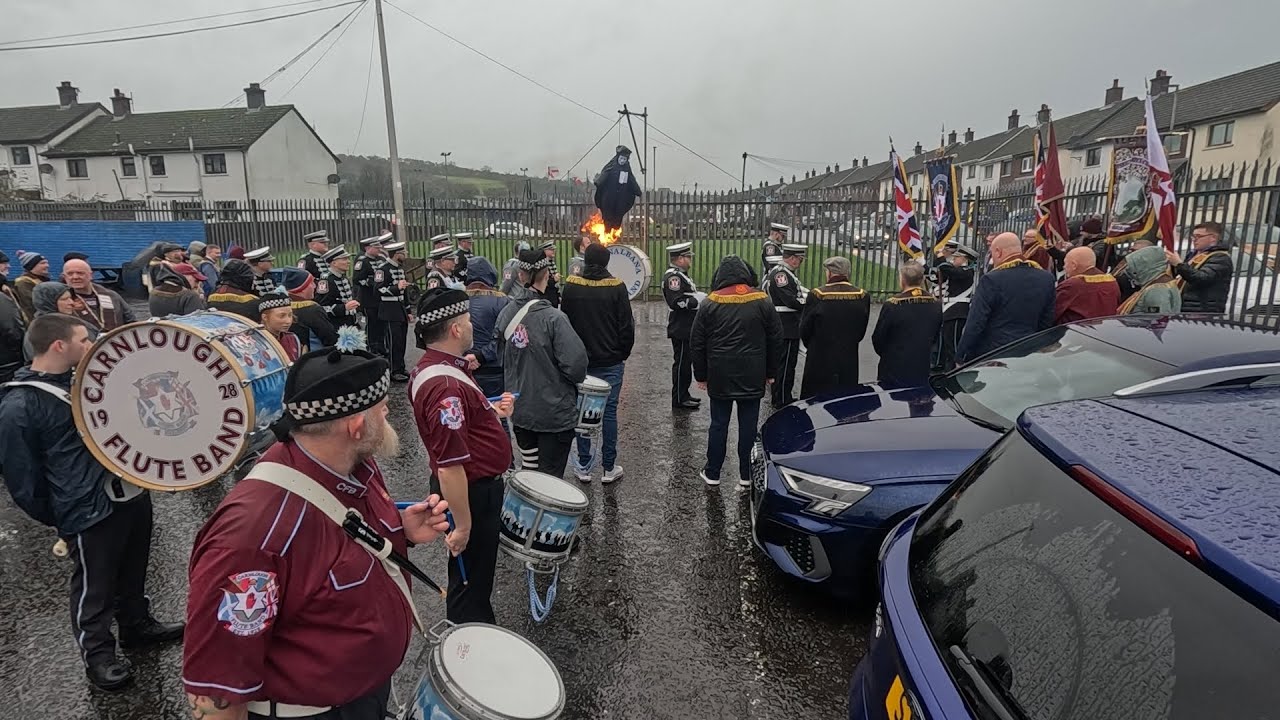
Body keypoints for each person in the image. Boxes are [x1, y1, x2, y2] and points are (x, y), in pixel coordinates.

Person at [182, 344, 453, 720]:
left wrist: (399, 533)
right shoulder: (253, 533)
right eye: (381, 406)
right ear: (355, 426)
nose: (389, 411)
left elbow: (334, 550)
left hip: (365, 694)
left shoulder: (354, 464)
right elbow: (217, 688)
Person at [1, 314, 184, 692]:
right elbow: (23, 480)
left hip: (130, 493)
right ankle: (98, 656)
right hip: (87, 508)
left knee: (133, 571)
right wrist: (64, 516)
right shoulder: (19, 405)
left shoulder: (85, 381)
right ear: (59, 345)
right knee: (94, 586)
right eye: (84, 339)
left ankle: (136, 625)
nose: (92, 345)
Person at [410, 288, 515, 624]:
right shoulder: (446, 388)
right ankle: (466, 642)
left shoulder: (442, 367)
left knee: (476, 577)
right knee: (469, 581)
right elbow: (450, 466)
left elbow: (462, 425)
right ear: (455, 329)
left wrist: (492, 411)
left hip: (471, 488)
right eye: (468, 320)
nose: (472, 326)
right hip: (470, 492)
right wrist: (464, 525)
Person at [495, 249, 588, 479]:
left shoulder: (505, 314)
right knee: (550, 480)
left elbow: (501, 358)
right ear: (546, 275)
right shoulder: (554, 318)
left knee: (530, 471)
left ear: (520, 276)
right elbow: (576, 366)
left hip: (520, 410)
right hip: (553, 415)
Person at [690, 256, 782, 487]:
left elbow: (697, 342)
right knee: (748, 426)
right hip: (753, 373)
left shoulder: (710, 302)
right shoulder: (762, 300)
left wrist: (701, 375)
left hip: (720, 374)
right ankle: (746, 474)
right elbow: (775, 338)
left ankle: (713, 472)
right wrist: (771, 371)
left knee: (718, 424)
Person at [561, 243, 635, 484]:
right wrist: (622, 353)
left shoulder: (571, 286)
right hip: (610, 360)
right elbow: (626, 325)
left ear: (584, 259)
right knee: (610, 413)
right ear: (606, 262)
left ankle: (583, 465)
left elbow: (565, 325)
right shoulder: (616, 287)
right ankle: (608, 467)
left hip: (580, 361)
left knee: (583, 413)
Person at [955, 232, 1055, 364]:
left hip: (994, 354)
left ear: (998, 252)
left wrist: (961, 355)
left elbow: (976, 322)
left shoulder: (992, 279)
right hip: (1029, 351)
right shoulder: (1046, 278)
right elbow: (1046, 320)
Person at [799, 256, 870, 398]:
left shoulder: (817, 295)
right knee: (844, 398)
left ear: (830, 273)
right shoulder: (862, 296)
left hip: (820, 356)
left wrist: (812, 345)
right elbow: (861, 329)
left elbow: (805, 328)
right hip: (848, 355)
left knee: (816, 398)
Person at [872, 264, 943, 387]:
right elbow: (936, 335)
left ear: (902, 280)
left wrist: (888, 354)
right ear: (921, 281)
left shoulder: (893, 305)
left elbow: (879, 337)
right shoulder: (935, 304)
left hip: (894, 365)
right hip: (922, 362)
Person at [764, 243, 809, 407]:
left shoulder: (782, 272)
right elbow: (789, 300)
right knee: (785, 364)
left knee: (785, 363)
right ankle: (782, 398)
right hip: (786, 325)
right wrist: (807, 302)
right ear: (793, 258)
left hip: (786, 325)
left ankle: (782, 395)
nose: (800, 263)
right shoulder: (781, 274)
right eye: (800, 259)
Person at [460, 257, 510, 398]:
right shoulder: (502, 300)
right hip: (493, 367)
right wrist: (481, 356)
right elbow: (503, 338)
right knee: (497, 411)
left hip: (462, 364)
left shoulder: (457, 300)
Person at [662, 242, 701, 410]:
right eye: (687, 257)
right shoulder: (674, 278)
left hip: (687, 326)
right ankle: (679, 398)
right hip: (681, 326)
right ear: (679, 259)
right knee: (681, 365)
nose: (689, 259)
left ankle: (684, 394)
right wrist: (695, 301)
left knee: (686, 364)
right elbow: (676, 301)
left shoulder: (681, 275)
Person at [1167, 221, 1233, 313]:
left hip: (1203, 311)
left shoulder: (1221, 258)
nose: (1194, 239)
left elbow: (1201, 278)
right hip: (1187, 308)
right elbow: (1182, 276)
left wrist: (1179, 264)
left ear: (1213, 238)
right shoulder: (1193, 254)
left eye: (1199, 236)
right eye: (1193, 236)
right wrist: (1174, 265)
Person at [932, 245, 979, 373]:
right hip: (950, 311)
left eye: (957, 257)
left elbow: (947, 269)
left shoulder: (967, 272)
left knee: (952, 344)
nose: (954, 260)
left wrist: (942, 258)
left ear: (965, 259)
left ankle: (953, 370)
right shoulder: (957, 271)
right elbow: (941, 272)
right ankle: (944, 367)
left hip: (957, 312)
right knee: (947, 343)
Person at [63, 258, 136, 332]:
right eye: (70, 274)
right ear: (65, 277)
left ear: (91, 275)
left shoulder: (112, 296)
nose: (75, 277)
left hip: (116, 341)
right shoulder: (61, 301)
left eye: (80, 273)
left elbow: (132, 322)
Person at [1054, 246, 1120, 325]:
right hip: (1105, 330)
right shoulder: (1112, 282)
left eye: (1065, 264)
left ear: (1074, 265)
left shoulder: (1072, 285)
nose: (1064, 267)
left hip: (1076, 332)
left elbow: (1053, 312)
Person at [375, 241, 412, 381]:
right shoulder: (382, 269)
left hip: (400, 309)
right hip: (390, 310)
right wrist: (396, 288)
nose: (406, 255)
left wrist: (408, 310)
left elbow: (405, 292)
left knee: (401, 340)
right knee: (393, 341)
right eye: (404, 252)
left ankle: (400, 367)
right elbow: (377, 290)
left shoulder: (400, 268)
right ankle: (393, 370)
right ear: (397, 254)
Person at [283, 267, 338, 351]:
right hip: (314, 357)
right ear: (302, 289)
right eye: (311, 283)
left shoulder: (282, 306)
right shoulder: (312, 310)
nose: (315, 286)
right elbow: (330, 339)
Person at [1119, 245, 1182, 315]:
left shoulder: (1156, 290)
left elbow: (1157, 321)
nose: (1129, 270)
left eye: (1136, 265)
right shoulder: (1159, 283)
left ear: (1144, 265)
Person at [594, 145, 642, 231]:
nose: (622, 161)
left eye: (624, 159)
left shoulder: (627, 169)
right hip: (609, 196)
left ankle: (615, 228)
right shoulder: (611, 166)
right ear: (617, 157)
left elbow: (631, 179)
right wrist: (598, 182)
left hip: (621, 197)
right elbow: (605, 174)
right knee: (608, 214)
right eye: (621, 158)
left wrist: (637, 191)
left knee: (618, 213)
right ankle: (607, 230)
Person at [354, 234, 388, 357]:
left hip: (380, 298)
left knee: (381, 324)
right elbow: (357, 280)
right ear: (368, 248)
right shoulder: (362, 262)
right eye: (376, 247)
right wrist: (371, 283)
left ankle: (381, 345)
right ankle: (371, 346)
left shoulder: (381, 260)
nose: (379, 250)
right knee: (372, 323)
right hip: (368, 298)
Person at [316, 246, 361, 329]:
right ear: (334, 263)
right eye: (344, 259)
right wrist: (344, 308)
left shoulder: (343, 277)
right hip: (336, 325)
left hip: (350, 322)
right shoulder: (326, 280)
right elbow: (321, 307)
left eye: (348, 259)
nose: (348, 262)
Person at [0, 251, 24, 383]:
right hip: (7, 365)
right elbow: (13, 330)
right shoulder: (2, 296)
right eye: (3, 263)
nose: (8, 266)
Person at [258, 288, 301, 362]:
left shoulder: (292, 339)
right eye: (282, 316)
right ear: (265, 317)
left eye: (290, 315)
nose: (288, 321)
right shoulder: (253, 341)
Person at [13, 250, 49, 322]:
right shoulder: (23, 283)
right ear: (31, 266)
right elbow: (31, 306)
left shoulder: (41, 280)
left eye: (47, 263)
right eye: (42, 263)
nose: (47, 265)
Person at [538, 239, 562, 308]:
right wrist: (554, 280)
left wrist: (558, 295)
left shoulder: (551, 262)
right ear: (544, 251)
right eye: (551, 249)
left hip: (553, 297)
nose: (553, 251)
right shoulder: (542, 265)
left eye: (553, 249)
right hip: (546, 298)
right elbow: (542, 281)